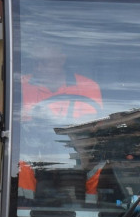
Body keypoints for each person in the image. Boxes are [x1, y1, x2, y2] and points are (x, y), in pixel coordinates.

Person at [18, 42, 104, 204]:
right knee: (21, 162)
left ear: (61, 60)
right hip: (36, 148)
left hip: (76, 145)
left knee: (99, 163)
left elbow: (96, 126)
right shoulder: (20, 86)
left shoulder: (88, 87)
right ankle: (25, 205)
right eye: (36, 62)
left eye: (45, 62)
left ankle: (91, 207)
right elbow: (16, 126)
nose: (39, 67)